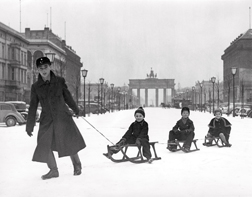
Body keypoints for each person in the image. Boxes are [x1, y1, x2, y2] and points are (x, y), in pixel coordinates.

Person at [26, 57, 86, 180]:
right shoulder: (36, 86)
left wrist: (76, 110)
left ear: (50, 67)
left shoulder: (59, 81)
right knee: (43, 143)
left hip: (62, 116)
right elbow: (32, 106)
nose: (43, 70)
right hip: (47, 119)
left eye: (46, 67)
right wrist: (29, 125)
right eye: (41, 68)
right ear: (38, 69)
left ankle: (77, 165)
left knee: (69, 141)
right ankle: (53, 170)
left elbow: (68, 97)